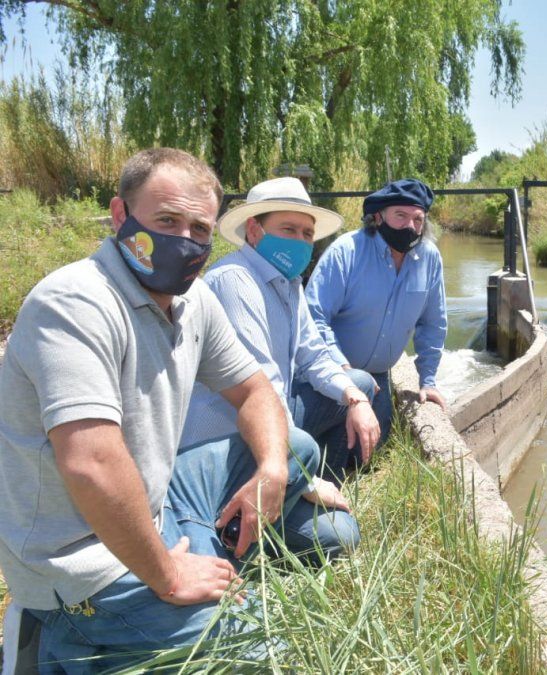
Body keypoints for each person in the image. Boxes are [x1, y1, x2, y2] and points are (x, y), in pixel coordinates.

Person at [0, 149, 348, 673]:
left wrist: (273, 471)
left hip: (154, 502)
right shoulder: (73, 303)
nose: (184, 240)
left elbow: (257, 393)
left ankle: (190, 555)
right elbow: (91, 464)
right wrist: (168, 575)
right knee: (266, 650)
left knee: (297, 454)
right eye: (166, 221)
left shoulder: (193, 300)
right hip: (82, 559)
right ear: (120, 216)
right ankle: (62, 637)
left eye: (198, 228)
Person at [181, 176, 381, 487]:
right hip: (231, 438)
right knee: (339, 534)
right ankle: (300, 485)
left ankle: (327, 482)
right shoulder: (234, 281)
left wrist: (356, 399)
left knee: (359, 385)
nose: (300, 241)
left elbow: (313, 354)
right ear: (253, 230)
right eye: (288, 230)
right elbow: (263, 387)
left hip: (274, 413)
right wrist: (305, 480)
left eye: (307, 234)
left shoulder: (290, 283)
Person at [304, 179, 448, 471]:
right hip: (329, 378)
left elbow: (433, 323)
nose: (409, 226)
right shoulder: (346, 252)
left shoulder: (429, 259)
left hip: (380, 381)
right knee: (327, 461)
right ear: (378, 216)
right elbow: (314, 317)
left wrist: (428, 380)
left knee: (368, 462)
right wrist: (345, 372)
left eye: (417, 219)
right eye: (400, 216)